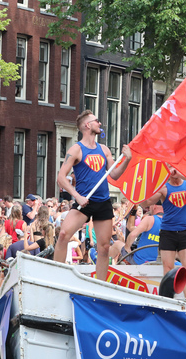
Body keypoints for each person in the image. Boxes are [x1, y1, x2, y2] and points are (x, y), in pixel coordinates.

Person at [53, 110, 132, 281]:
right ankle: (56, 277)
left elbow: (115, 174)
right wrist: (76, 196)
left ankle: (100, 285)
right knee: (63, 234)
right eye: (96, 121)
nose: (100, 123)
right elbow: (61, 177)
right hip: (84, 202)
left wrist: (127, 159)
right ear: (88, 125)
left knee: (103, 247)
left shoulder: (104, 150)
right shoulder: (76, 149)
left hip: (103, 201)